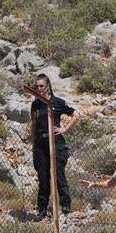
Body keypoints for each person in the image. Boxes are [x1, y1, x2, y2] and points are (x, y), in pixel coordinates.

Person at [30, 73, 81, 220]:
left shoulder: (56, 102)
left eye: (42, 86)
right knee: (43, 177)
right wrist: (33, 141)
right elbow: (34, 123)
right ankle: (42, 209)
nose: (39, 89)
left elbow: (76, 114)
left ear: (48, 86)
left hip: (56, 143)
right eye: (37, 86)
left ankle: (65, 206)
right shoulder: (35, 104)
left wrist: (64, 129)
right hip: (40, 144)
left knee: (58, 175)